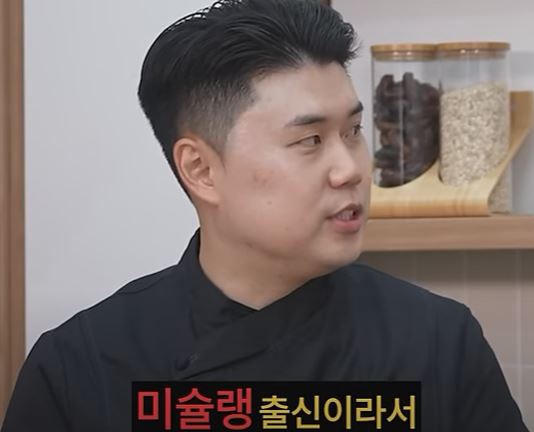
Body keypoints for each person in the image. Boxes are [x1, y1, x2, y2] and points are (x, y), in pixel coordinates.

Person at [1, 0, 528, 431]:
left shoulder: (437, 343)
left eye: (352, 132)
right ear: (201, 169)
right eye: (310, 140)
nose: (350, 169)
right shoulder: (81, 368)